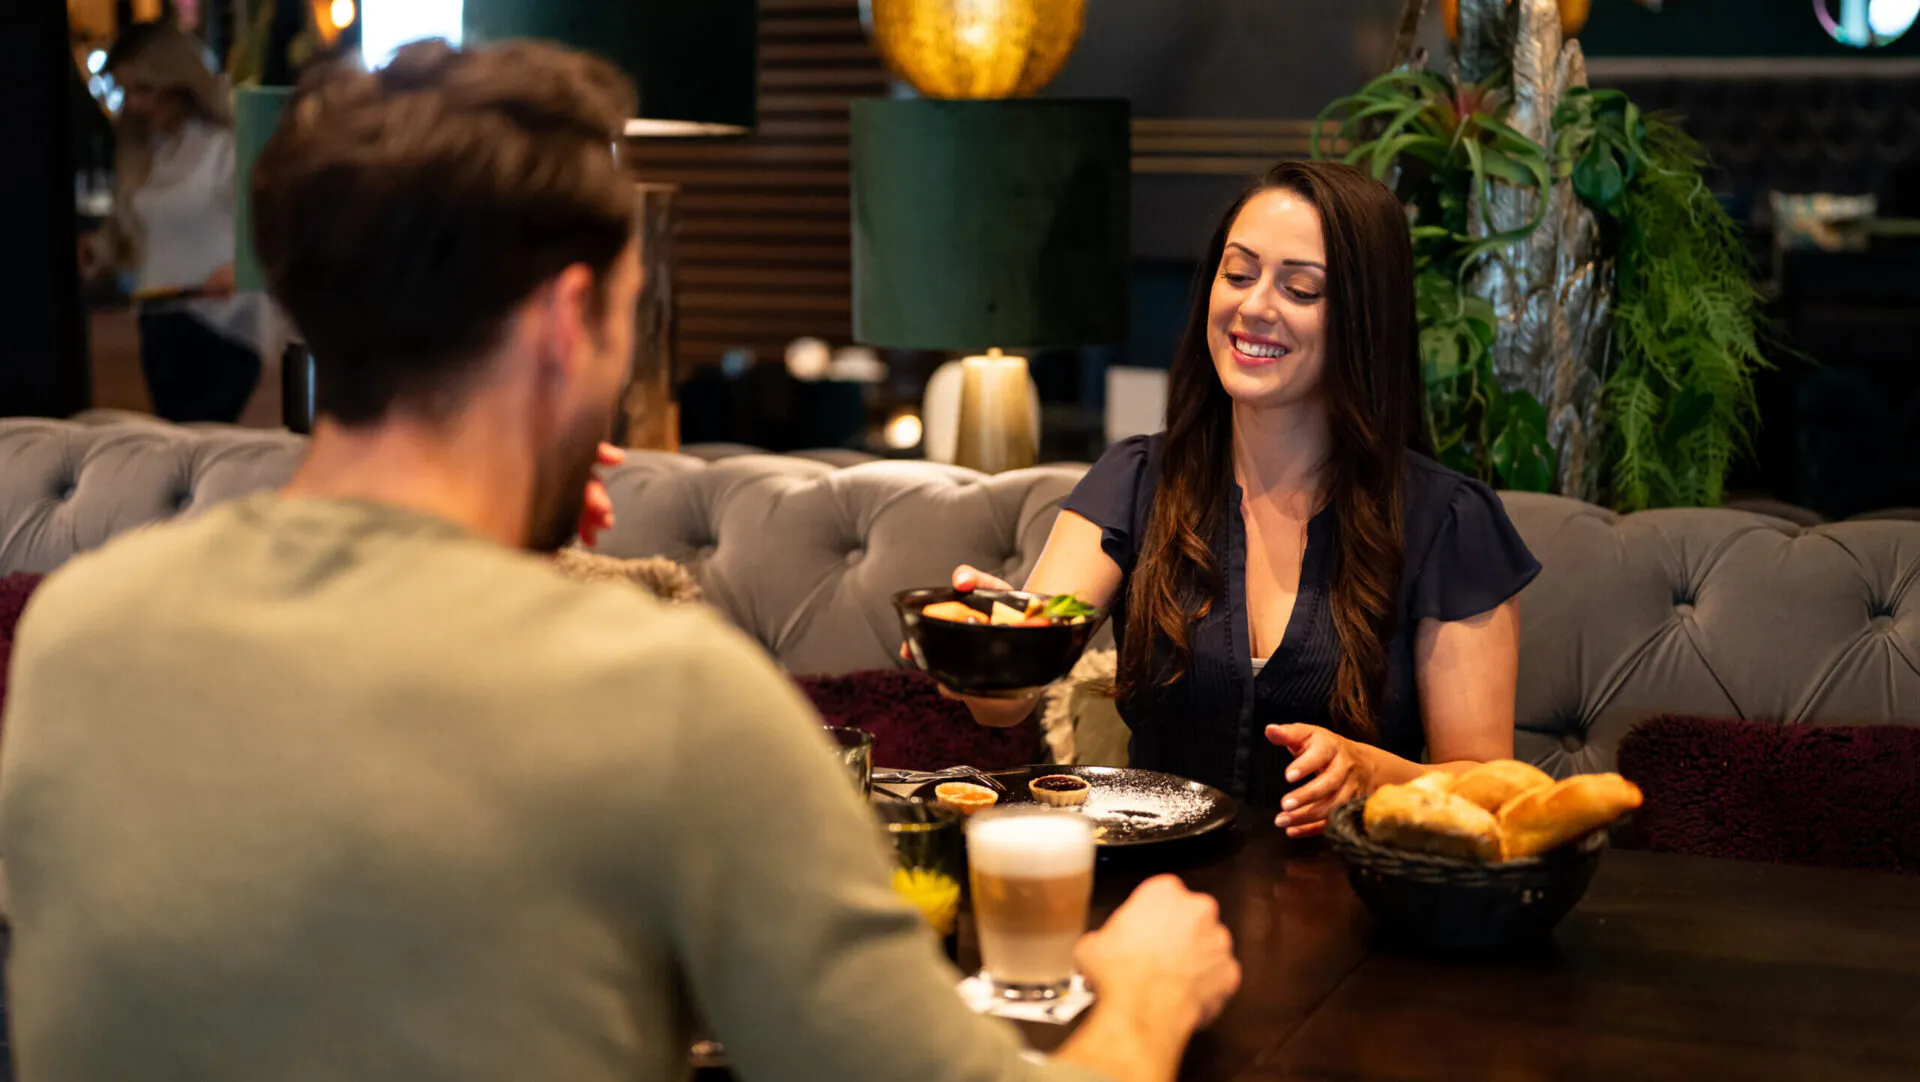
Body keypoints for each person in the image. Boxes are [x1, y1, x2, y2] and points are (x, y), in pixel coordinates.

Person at [0, 39, 1237, 1082]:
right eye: (623, 316)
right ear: (561, 321)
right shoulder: (669, 699)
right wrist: (1145, 990)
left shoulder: (81, 635)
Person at [947, 160, 1542, 837]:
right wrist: (981, 651)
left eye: (1300, 288)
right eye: (1238, 274)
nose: (1255, 306)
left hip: (1349, 890)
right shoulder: (1135, 480)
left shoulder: (1450, 522)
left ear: (1364, 317)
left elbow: (1489, 791)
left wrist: (1372, 771)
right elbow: (1007, 701)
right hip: (1157, 884)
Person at [101, 23, 263, 422]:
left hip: (222, 322)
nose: (134, 104)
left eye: (144, 89)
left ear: (177, 83)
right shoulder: (148, 155)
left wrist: (240, 268)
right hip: (158, 317)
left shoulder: (225, 149)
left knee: (205, 439)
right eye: (126, 91)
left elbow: (267, 225)